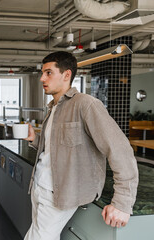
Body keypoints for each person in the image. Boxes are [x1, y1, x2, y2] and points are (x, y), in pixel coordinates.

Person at [24, 51, 138, 240]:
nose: (42, 78)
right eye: (42, 73)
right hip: (39, 186)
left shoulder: (86, 105)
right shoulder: (53, 107)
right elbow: (58, 149)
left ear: (66, 75)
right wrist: (34, 139)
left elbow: (120, 150)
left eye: (48, 73)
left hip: (59, 192)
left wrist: (123, 202)